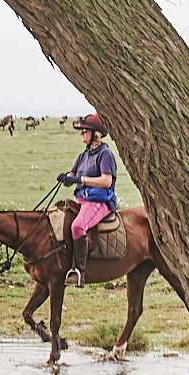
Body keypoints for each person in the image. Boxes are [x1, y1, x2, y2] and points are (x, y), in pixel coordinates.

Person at [58, 112, 119, 286]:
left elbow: (107, 181)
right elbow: (73, 175)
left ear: (95, 134)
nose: (82, 134)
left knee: (78, 226)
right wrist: (66, 178)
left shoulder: (105, 154)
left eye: (85, 131)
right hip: (81, 199)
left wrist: (81, 180)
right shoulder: (83, 155)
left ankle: (79, 272)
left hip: (99, 201)